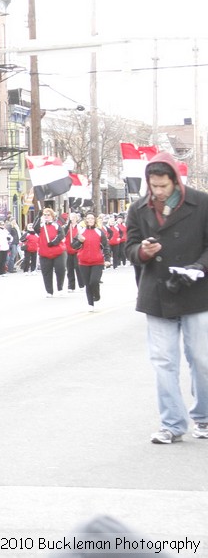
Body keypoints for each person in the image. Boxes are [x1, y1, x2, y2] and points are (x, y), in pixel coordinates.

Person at [124, 152, 208, 444]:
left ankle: (204, 417)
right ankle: (172, 423)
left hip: (196, 290)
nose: (158, 191)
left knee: (201, 358)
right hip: (157, 292)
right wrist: (142, 253)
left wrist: (199, 266)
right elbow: (130, 246)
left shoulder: (201, 203)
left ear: (175, 181)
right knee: (163, 361)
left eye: (163, 186)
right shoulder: (138, 208)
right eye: (154, 186)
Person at [70, 212, 110, 312]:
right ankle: (90, 304)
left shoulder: (99, 232)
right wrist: (80, 241)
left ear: (95, 220)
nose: (90, 220)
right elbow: (73, 245)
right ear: (86, 220)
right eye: (88, 218)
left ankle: (96, 294)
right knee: (87, 284)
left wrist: (108, 259)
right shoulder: (81, 231)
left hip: (97, 261)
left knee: (94, 281)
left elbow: (106, 246)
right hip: (83, 262)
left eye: (92, 218)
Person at [35, 207, 67, 297]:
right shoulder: (41, 226)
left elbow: (61, 235)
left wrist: (53, 243)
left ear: (52, 216)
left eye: (48, 215)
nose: (46, 216)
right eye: (45, 215)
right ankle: (49, 291)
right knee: (46, 272)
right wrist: (38, 216)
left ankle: (60, 288)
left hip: (58, 252)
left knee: (60, 269)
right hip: (44, 253)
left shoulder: (56, 225)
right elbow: (35, 228)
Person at [63, 212, 82, 292]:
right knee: (69, 269)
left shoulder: (79, 227)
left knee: (78, 268)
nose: (72, 219)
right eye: (71, 217)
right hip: (68, 250)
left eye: (74, 217)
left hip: (77, 250)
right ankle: (71, 286)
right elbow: (63, 234)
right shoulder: (66, 227)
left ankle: (82, 284)